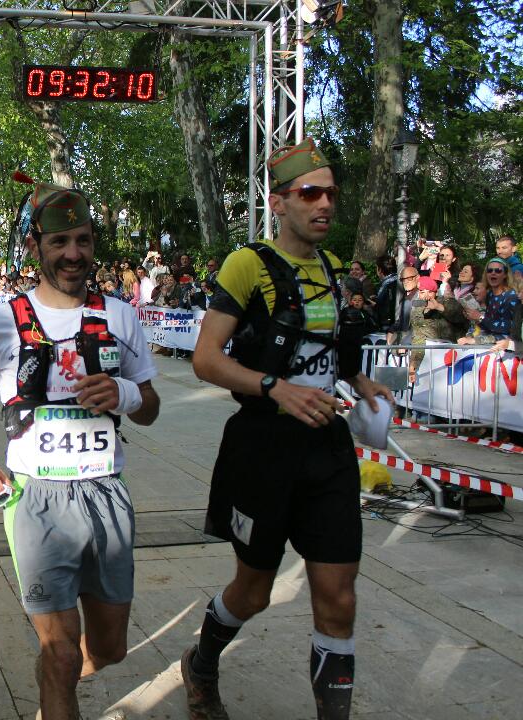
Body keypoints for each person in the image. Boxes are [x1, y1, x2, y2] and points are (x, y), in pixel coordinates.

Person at [186, 138, 393, 720]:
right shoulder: (248, 263)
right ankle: (201, 666)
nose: (324, 203)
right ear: (279, 202)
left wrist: (358, 379)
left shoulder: (329, 267)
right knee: (252, 592)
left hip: (326, 450)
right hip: (264, 451)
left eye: (330, 192)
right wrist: (277, 389)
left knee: (338, 596)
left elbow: (322, 346)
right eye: (310, 193)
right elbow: (206, 358)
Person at [0, 179, 160, 720]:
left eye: (83, 241)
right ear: (36, 245)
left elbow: (151, 404)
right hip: (35, 499)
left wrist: (126, 393)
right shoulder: (1, 320)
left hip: (107, 495)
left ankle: (52, 688)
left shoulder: (120, 316)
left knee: (107, 649)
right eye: (60, 241)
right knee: (60, 650)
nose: (73, 254)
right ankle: (57, 683)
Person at [407, 276, 466, 383]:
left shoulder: (448, 301)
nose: (426, 296)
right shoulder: (417, 310)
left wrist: (439, 307)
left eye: (430, 292)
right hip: (434, 363)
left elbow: (461, 318)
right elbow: (418, 337)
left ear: (436, 292)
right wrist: (413, 366)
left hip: (458, 357)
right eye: (422, 292)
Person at [463, 257, 520, 340]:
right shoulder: (489, 295)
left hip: (507, 349)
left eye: (498, 271)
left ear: (505, 275)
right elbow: (488, 326)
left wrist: (480, 317)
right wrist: (474, 318)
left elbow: (509, 328)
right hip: (489, 344)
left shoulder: (511, 297)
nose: (493, 273)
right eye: (490, 270)